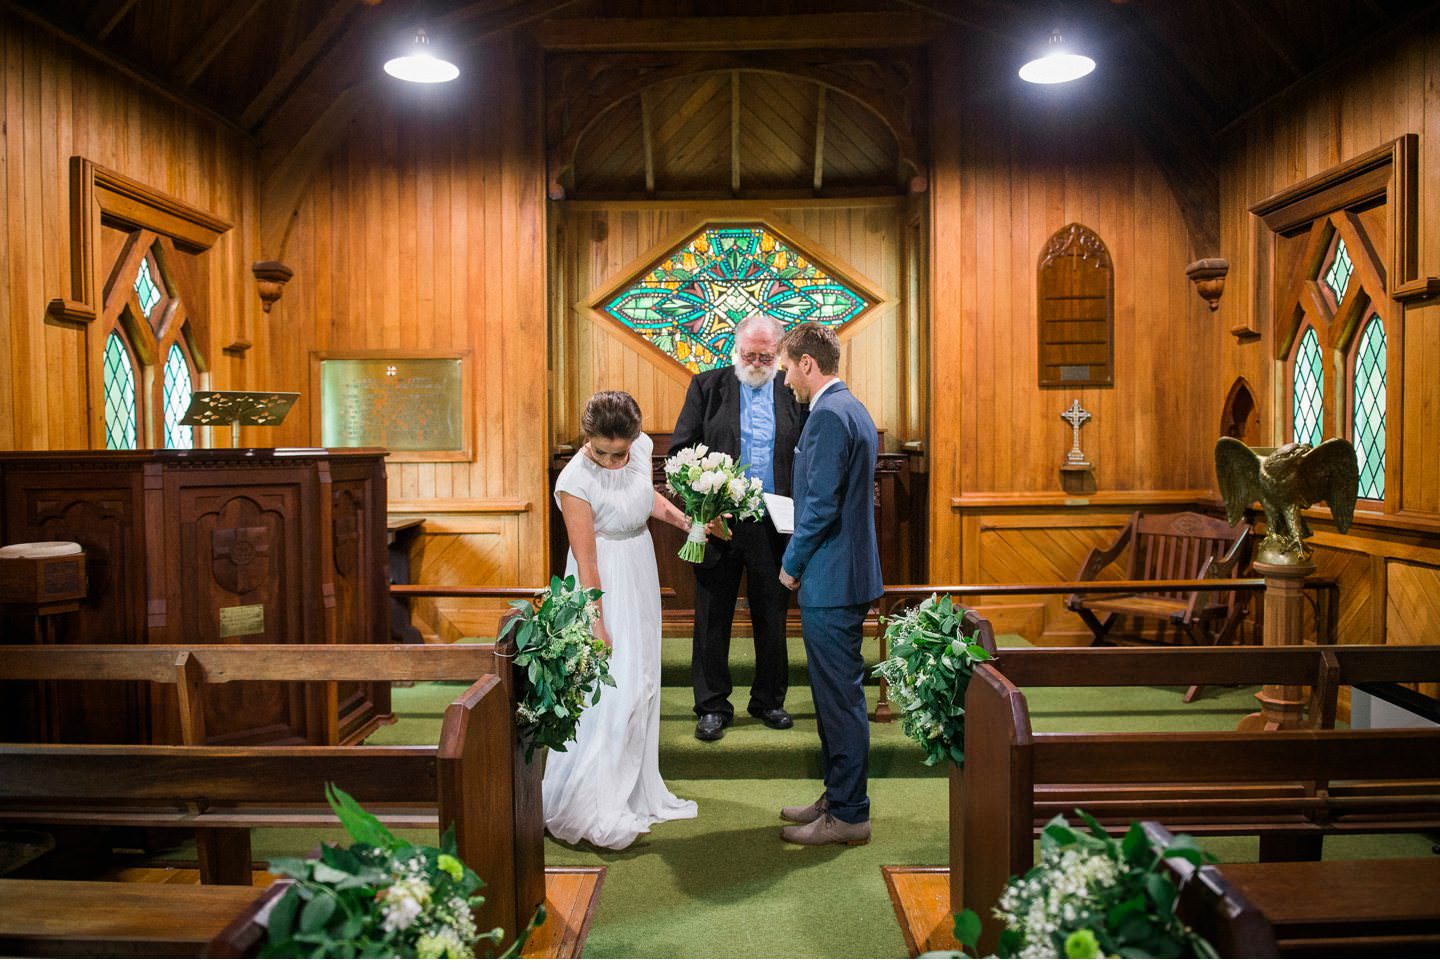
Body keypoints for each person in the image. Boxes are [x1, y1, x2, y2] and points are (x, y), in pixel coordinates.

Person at [544, 390, 699, 850]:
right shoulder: (574, 480)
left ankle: (634, 790)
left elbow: (644, 498)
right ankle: (595, 801)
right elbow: (586, 558)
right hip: (603, 579)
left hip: (639, 570)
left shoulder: (641, 449)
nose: (613, 462)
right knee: (614, 692)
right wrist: (596, 620)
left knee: (646, 683)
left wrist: (687, 522)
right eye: (602, 452)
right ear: (586, 438)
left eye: (621, 453)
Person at [669, 314, 807, 742]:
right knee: (713, 615)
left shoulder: (792, 394)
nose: (759, 361)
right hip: (720, 521)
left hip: (774, 522)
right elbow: (679, 454)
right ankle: (712, 706)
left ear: (778, 353)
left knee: (772, 614)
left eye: (767, 355)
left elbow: (806, 453)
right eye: (751, 353)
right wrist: (700, 508)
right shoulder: (707, 388)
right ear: (736, 347)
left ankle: (769, 700)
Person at [775, 323, 883, 847]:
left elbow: (819, 507)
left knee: (839, 700)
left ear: (807, 365)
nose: (786, 379)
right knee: (838, 697)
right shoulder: (852, 408)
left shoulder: (826, 418)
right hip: (849, 573)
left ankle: (849, 814)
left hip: (831, 579)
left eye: (788, 368)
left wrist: (791, 564)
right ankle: (838, 796)